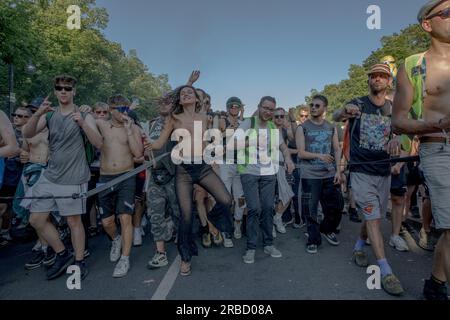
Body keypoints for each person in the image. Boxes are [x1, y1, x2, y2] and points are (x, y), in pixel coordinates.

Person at [392, 0, 450, 300]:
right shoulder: (412, 64)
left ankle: (436, 285)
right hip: (440, 149)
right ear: (428, 24)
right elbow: (398, 121)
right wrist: (441, 124)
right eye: (448, 12)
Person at [145, 85, 233, 276]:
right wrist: (148, 143)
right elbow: (159, 143)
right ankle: (185, 258)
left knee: (226, 200)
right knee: (185, 217)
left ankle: (210, 221)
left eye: (189, 92)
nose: (185, 94)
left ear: (196, 99)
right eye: (183, 93)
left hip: (202, 167)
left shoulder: (204, 117)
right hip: (183, 170)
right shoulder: (173, 118)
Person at [23, 74, 103, 281]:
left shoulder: (84, 115)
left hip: (74, 177)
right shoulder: (49, 115)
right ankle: (61, 253)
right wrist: (37, 113)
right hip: (50, 176)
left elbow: (99, 143)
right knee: (36, 219)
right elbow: (27, 133)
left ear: (74, 91)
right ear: (56, 91)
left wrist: (82, 124)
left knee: (73, 221)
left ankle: (78, 261)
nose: (63, 91)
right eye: (59, 88)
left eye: (67, 88)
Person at [333, 63, 404, 296]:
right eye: (373, 76)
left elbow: (400, 132)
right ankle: (385, 270)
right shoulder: (358, 103)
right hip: (361, 170)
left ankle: (358, 246)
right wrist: (345, 110)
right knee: (373, 217)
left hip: (382, 171)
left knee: (373, 215)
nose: (377, 79)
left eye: (382, 76)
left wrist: (397, 142)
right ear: (369, 81)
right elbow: (335, 116)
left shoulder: (392, 108)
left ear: (389, 82)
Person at [235, 96, 295, 264]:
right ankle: (251, 247)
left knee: (268, 207)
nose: (268, 112)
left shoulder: (272, 127)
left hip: (268, 173)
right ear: (259, 107)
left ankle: (268, 244)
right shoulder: (248, 123)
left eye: (271, 109)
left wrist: (288, 159)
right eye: (265, 108)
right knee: (254, 208)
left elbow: (283, 146)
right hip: (249, 172)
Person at [95, 95, 143, 278]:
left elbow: (138, 153)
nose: (124, 112)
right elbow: (89, 124)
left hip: (127, 176)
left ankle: (125, 258)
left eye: (125, 109)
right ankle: (116, 239)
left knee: (125, 218)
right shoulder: (102, 125)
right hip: (105, 177)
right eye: (119, 109)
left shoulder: (134, 127)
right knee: (107, 222)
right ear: (111, 110)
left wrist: (130, 130)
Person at [297, 95, 343, 254]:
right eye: (312, 105)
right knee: (310, 210)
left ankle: (326, 229)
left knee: (335, 207)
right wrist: (319, 156)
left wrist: (338, 170)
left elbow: (337, 149)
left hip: (329, 173)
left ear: (325, 108)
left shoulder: (331, 127)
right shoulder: (302, 128)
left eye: (317, 105)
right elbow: (301, 153)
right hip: (310, 175)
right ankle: (313, 239)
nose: (313, 108)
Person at [145, 94, 180, 269]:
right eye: (160, 101)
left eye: (167, 102)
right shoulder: (153, 123)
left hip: (175, 175)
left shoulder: (178, 122)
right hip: (155, 175)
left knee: (178, 212)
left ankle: (182, 242)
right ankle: (160, 253)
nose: (163, 104)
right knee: (155, 214)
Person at [218, 97, 246, 240]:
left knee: (240, 197)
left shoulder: (244, 122)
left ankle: (237, 223)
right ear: (228, 107)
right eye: (232, 106)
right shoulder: (223, 120)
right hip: (226, 163)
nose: (234, 108)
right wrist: (228, 132)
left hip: (240, 163)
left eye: (237, 106)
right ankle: (226, 228)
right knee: (225, 197)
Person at [272, 108, 295, 235]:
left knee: (288, 194)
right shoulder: (268, 129)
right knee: (268, 197)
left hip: (283, 166)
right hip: (268, 167)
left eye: (282, 116)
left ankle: (277, 217)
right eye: (276, 116)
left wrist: (290, 123)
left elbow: (293, 141)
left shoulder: (286, 130)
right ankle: (269, 224)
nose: (279, 118)